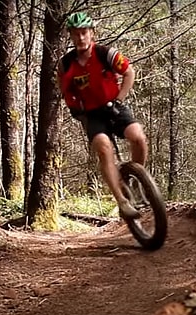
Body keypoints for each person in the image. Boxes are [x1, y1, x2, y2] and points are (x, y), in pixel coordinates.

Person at [57, 11, 149, 219]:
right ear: (71, 36)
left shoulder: (106, 53)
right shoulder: (66, 64)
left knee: (138, 137)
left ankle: (136, 179)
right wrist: (75, 108)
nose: (80, 38)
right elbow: (65, 90)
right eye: (75, 34)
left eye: (84, 32)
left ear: (91, 33)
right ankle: (122, 202)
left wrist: (120, 99)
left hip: (113, 106)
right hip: (92, 114)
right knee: (104, 149)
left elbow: (129, 72)